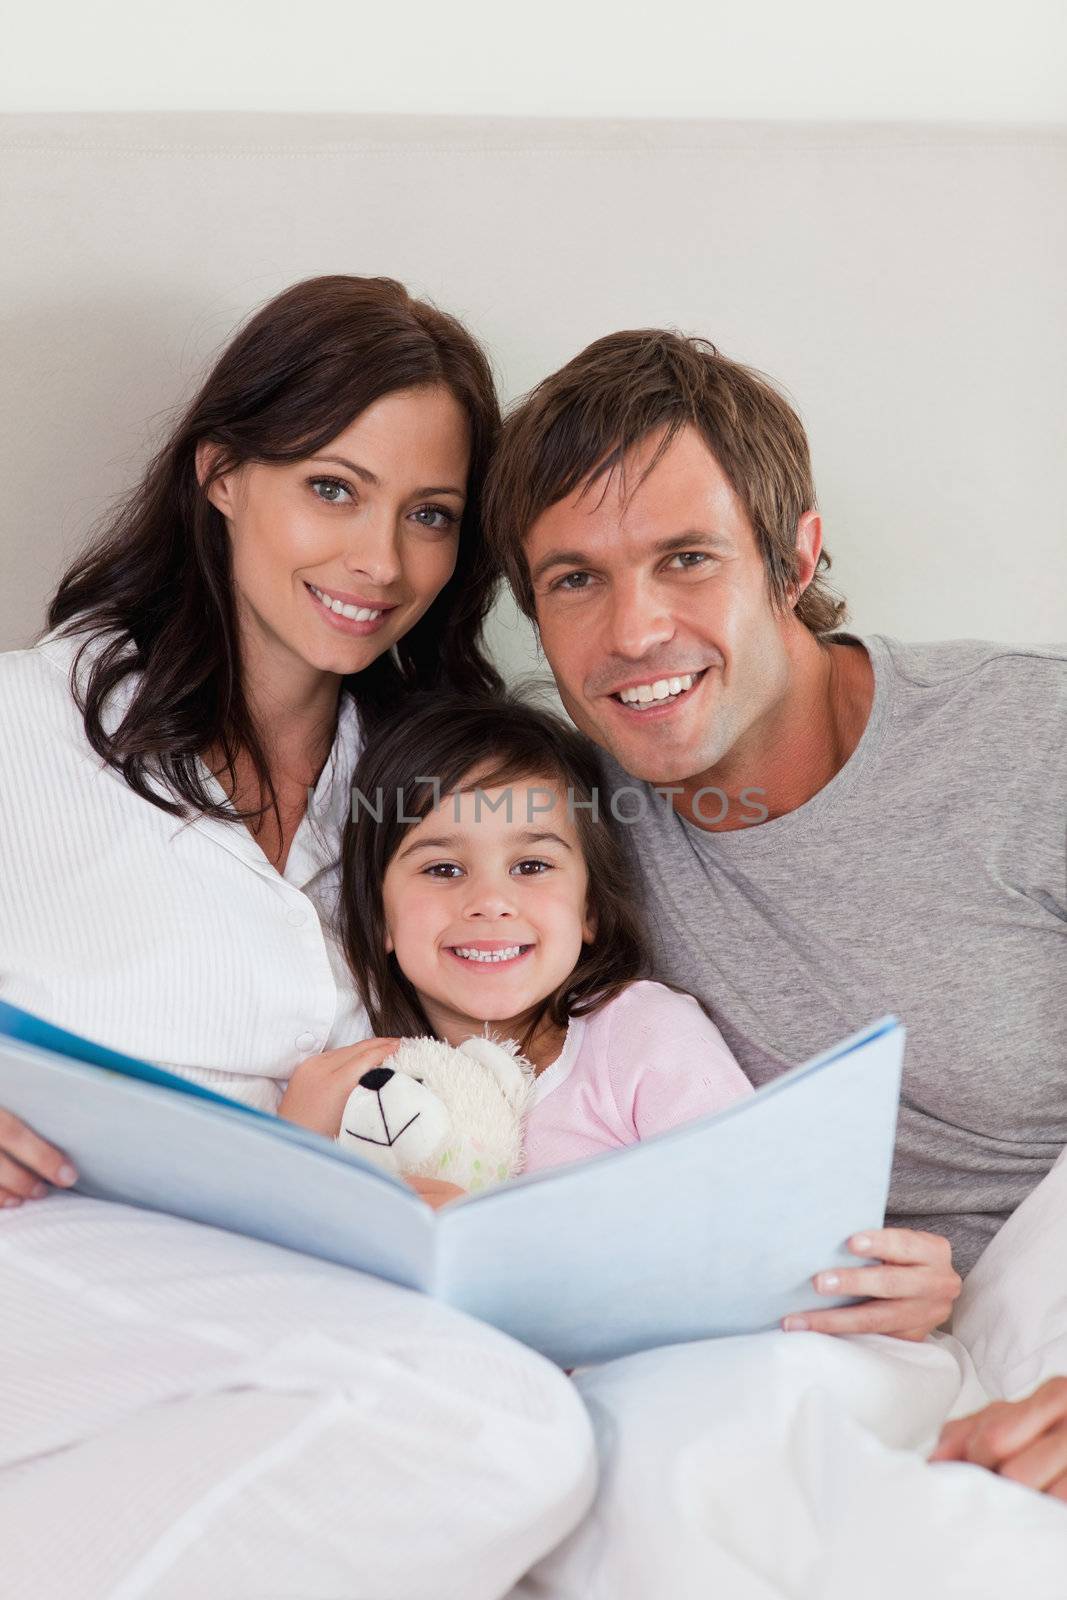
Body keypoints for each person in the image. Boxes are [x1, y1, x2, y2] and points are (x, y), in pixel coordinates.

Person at [0, 276, 594, 1600]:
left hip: (282, 1299)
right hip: (37, 1259)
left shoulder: (434, 790)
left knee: (503, 1428)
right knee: (500, 1433)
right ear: (221, 474)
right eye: (333, 487)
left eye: (428, 515)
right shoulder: (24, 729)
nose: (381, 562)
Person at [480, 328, 1067, 1521]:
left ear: (793, 555)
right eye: (574, 579)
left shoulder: (1028, 741)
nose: (633, 632)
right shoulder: (555, 832)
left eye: (685, 557)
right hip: (824, 1345)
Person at [281, 690, 757, 1183]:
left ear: (588, 907)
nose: (490, 900)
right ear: (381, 918)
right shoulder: (375, 1101)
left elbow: (747, 1202)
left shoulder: (643, 1035)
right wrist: (296, 1149)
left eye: (531, 865)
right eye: (443, 868)